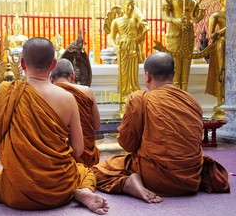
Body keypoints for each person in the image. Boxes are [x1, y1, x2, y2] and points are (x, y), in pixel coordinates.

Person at [0, 37, 109, 214]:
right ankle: (83, 191)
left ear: (22, 63)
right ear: (53, 64)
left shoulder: (5, 94)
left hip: (16, 193)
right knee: (85, 172)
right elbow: (78, 150)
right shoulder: (67, 98)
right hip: (59, 190)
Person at [92, 52, 230, 203]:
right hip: (190, 179)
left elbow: (127, 143)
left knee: (100, 170)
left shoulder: (140, 99)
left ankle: (127, 184)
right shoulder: (192, 101)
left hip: (154, 179)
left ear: (147, 76)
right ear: (174, 74)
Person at [50, 58, 100, 167]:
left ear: (50, 79)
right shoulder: (87, 91)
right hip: (86, 157)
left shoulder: (48, 95)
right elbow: (96, 125)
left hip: (60, 158)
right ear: (72, 76)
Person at [162, 0, 205, 91]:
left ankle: (184, 94)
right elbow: (165, 17)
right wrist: (176, 21)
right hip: (175, 33)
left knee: (186, 62)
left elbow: (194, 19)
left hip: (189, 34)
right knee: (176, 63)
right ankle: (175, 95)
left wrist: (200, 16)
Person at [110, 0, 148, 97]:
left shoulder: (136, 20)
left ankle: (133, 98)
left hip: (133, 49)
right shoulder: (116, 21)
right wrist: (116, 47)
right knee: (123, 76)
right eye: (128, 5)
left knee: (133, 76)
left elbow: (141, 37)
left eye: (132, 5)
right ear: (123, 6)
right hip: (123, 50)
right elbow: (111, 38)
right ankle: (123, 101)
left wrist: (144, 31)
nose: (130, 7)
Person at [205, 0, 226, 119]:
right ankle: (219, 101)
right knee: (221, 71)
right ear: (223, 0)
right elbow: (211, 35)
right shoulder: (216, 16)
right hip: (221, 44)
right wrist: (226, 28)